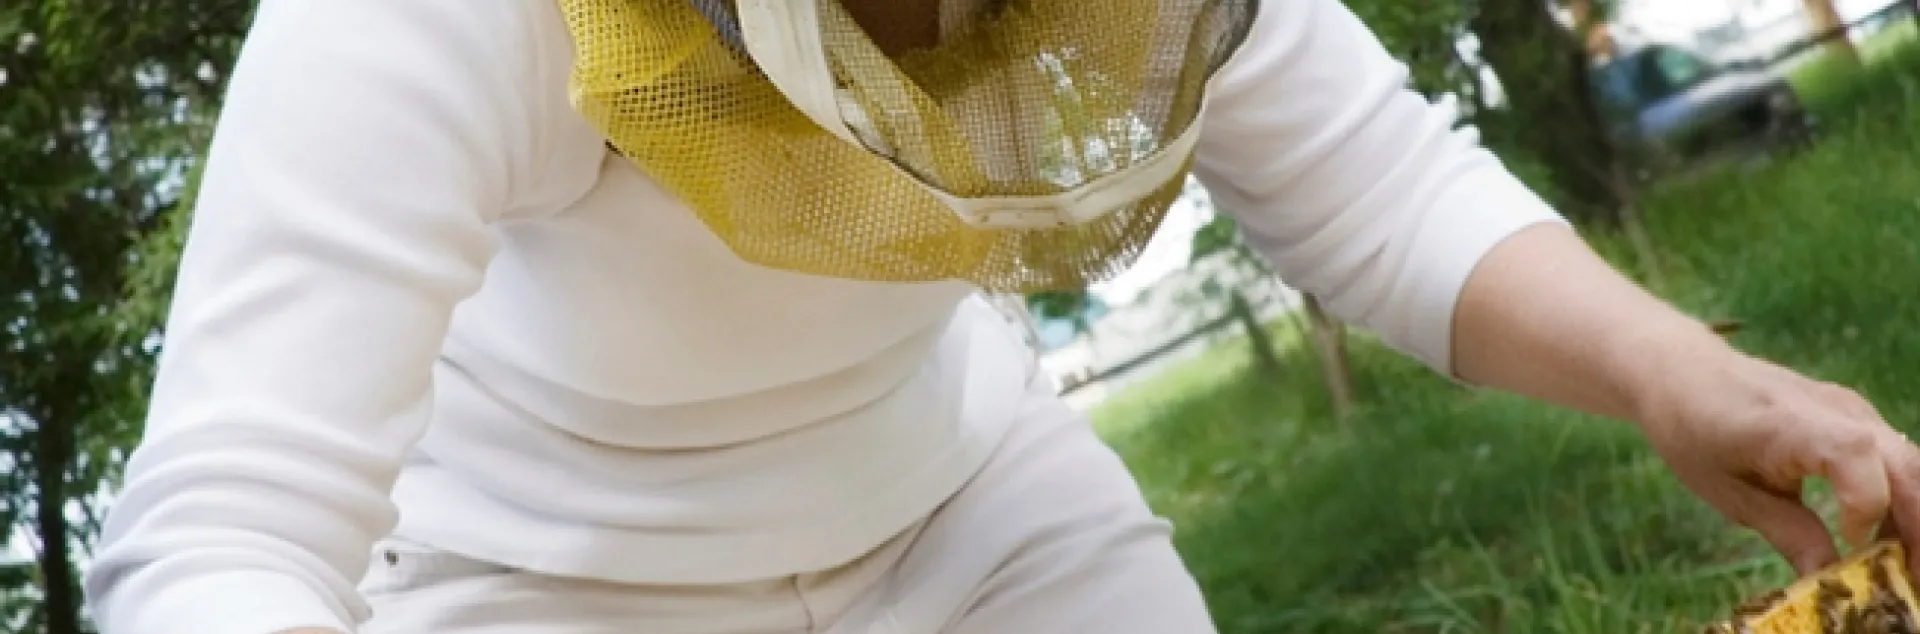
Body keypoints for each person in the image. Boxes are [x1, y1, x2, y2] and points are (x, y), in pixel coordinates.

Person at [84, 0, 1920, 633]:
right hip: (545, 580)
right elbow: (234, 524)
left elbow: (1369, 179)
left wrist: (1684, 369)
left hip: (976, 520)